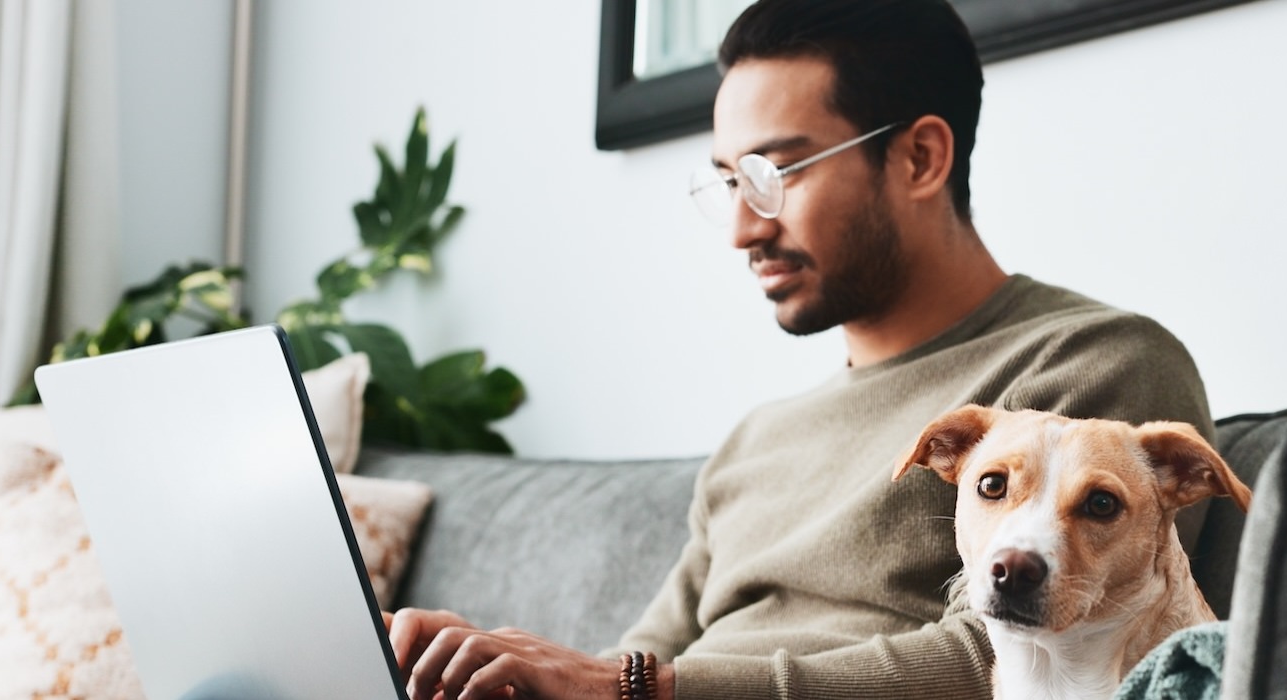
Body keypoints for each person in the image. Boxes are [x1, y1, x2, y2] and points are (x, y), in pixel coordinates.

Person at [387, 1, 1214, 698]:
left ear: (920, 158)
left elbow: (1009, 654)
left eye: (775, 173)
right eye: (729, 182)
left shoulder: (1092, 364)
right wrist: (503, 673)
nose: (743, 227)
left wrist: (641, 687)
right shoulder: (757, 439)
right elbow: (635, 659)